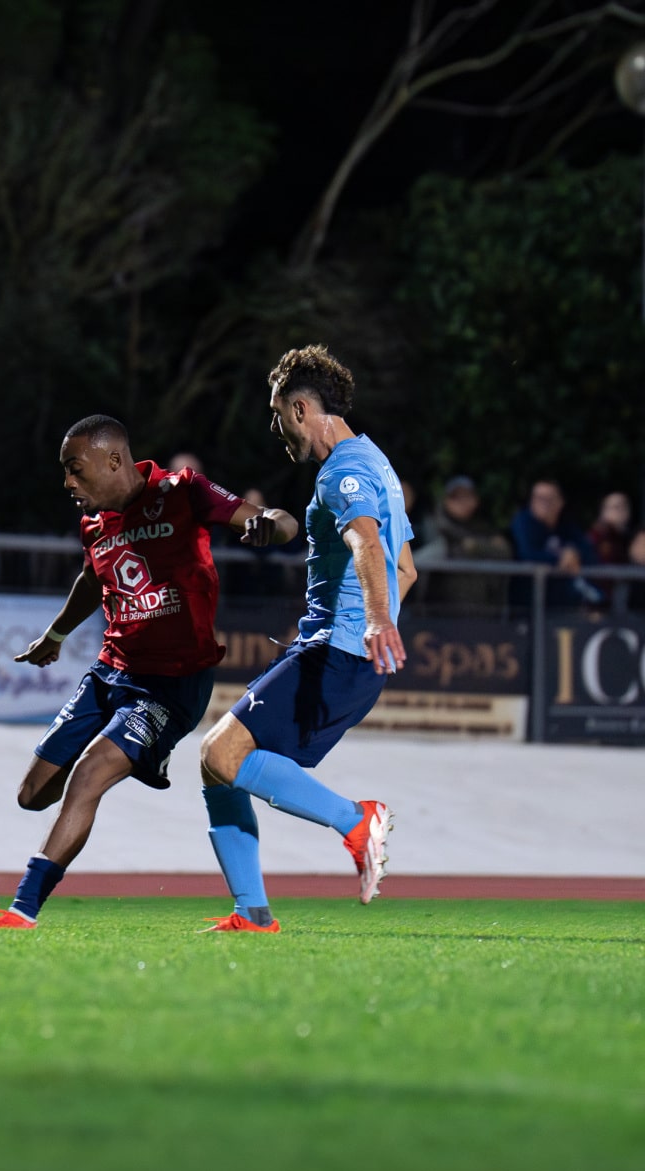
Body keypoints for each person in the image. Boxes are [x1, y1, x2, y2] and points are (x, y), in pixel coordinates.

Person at [0, 414, 299, 929]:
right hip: (109, 673)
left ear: (114, 460)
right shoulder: (94, 522)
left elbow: (276, 519)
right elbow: (91, 581)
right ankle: (134, 751)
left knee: (88, 776)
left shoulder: (183, 491)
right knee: (32, 795)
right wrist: (55, 636)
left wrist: (272, 526)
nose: (67, 482)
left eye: (75, 469)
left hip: (171, 684)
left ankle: (23, 909)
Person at [197, 344, 417, 932]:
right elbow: (406, 569)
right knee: (219, 766)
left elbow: (365, 540)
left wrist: (373, 620)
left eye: (277, 415)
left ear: (300, 409)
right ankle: (252, 911)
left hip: (339, 652)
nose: (277, 430)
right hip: (347, 654)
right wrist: (374, 621)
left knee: (219, 753)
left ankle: (356, 820)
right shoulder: (378, 463)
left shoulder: (343, 471)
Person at [411, 475, 511, 612]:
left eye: (467, 497)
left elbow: (504, 552)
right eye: (456, 498)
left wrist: (475, 546)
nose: (463, 503)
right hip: (439, 611)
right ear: (446, 500)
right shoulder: (433, 527)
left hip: (481, 609)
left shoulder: (483, 527)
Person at [509, 479, 599, 608]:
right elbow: (526, 554)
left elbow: (588, 551)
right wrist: (560, 559)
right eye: (538, 498)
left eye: (548, 499)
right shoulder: (522, 522)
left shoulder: (566, 524)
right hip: (527, 604)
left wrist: (575, 553)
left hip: (562, 604)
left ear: (560, 502)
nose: (543, 503)